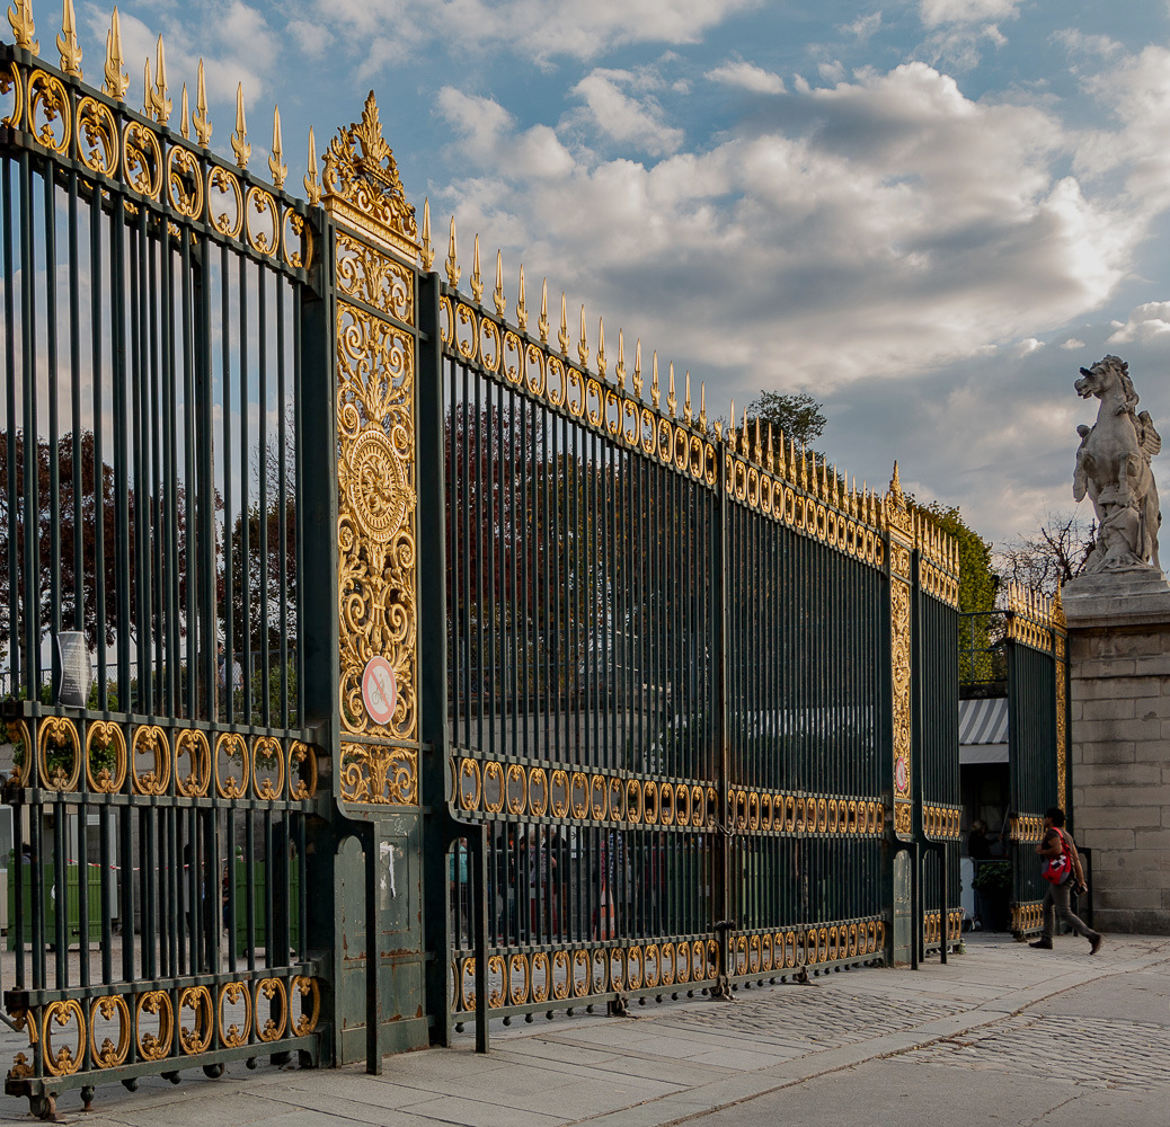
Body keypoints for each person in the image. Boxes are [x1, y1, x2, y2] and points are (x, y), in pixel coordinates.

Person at [1030, 806, 1102, 954]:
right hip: (1067, 875)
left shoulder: (1052, 833)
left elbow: (1057, 850)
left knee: (1064, 911)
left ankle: (1092, 936)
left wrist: (1041, 851)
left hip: (1060, 876)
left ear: (1050, 819)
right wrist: (1081, 881)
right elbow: (1076, 858)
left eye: (1045, 818)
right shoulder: (1066, 835)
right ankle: (1046, 939)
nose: (1044, 820)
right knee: (1047, 904)